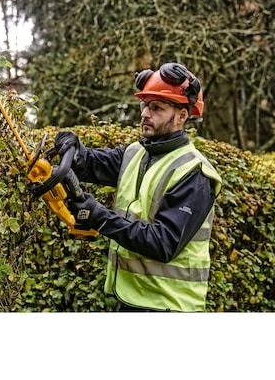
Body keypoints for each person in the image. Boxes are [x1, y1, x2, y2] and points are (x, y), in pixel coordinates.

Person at [54, 62, 222, 312]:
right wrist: (71, 146)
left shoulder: (194, 172)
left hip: (170, 305)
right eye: (144, 105)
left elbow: (164, 243)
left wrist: (99, 217)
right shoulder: (136, 153)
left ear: (181, 116)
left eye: (156, 108)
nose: (145, 114)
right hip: (132, 298)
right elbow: (90, 163)